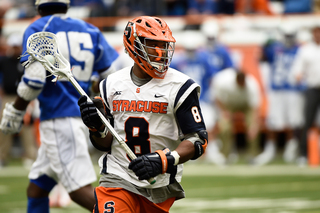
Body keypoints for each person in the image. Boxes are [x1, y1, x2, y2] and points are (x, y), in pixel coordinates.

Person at [77, 16, 207, 212]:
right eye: (152, 44)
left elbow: (198, 140)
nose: (159, 52)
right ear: (133, 45)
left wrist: (164, 160)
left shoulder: (181, 86)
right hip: (117, 176)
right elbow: (104, 144)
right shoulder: (111, 84)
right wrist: (97, 127)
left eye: (163, 45)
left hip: (159, 183)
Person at [0, 0, 119, 212]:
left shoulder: (38, 28)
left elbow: (34, 81)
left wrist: (16, 109)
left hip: (59, 117)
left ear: (39, 6)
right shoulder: (89, 29)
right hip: (83, 115)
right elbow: (109, 77)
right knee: (37, 188)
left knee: (77, 190)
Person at [253, 23, 304, 166]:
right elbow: (262, 58)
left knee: (294, 121)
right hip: (277, 89)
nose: (288, 39)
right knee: (273, 122)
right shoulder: (275, 47)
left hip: (294, 89)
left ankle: (291, 148)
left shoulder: (300, 49)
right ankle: (270, 149)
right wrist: (265, 42)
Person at [0, 32, 38, 168]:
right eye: (14, 46)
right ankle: (3, 156)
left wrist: (31, 99)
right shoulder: (4, 61)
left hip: (24, 96)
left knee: (27, 125)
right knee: (5, 125)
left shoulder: (25, 61)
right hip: (9, 97)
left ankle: (30, 156)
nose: (16, 49)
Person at [211, 68, 262, 164]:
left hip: (247, 105)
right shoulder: (224, 83)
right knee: (224, 127)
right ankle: (225, 156)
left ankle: (253, 156)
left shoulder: (252, 85)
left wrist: (254, 126)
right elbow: (217, 98)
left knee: (253, 127)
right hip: (230, 105)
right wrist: (224, 111)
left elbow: (255, 108)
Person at [291, 24, 320, 166]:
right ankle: (304, 153)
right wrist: (299, 78)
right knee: (308, 121)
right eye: (316, 32)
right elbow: (297, 70)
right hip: (312, 88)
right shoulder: (306, 50)